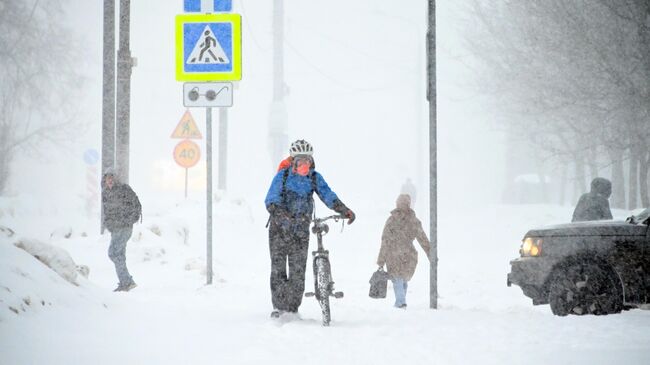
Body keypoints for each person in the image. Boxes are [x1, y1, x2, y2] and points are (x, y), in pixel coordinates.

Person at [265, 140, 356, 318]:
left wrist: (343, 209)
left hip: (300, 231)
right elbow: (271, 199)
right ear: (293, 161)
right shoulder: (282, 177)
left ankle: (292, 308)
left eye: (307, 161)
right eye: (300, 161)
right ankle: (279, 306)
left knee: (298, 270)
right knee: (278, 269)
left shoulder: (314, 178)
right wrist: (282, 215)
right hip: (279, 230)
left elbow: (327, 194)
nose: (304, 165)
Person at [377, 194, 430, 308]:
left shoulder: (392, 220)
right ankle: (401, 302)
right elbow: (423, 239)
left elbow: (385, 240)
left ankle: (400, 302)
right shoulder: (414, 220)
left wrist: (381, 260)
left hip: (393, 254)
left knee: (398, 279)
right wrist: (430, 253)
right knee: (403, 280)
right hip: (408, 254)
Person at [102, 169, 141, 292]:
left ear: (116, 179)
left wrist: (128, 220)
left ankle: (126, 281)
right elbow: (106, 211)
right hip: (115, 229)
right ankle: (126, 282)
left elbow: (137, 206)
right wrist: (108, 224)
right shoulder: (106, 193)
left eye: (112, 178)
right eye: (108, 178)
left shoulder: (124, 189)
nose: (110, 181)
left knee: (113, 253)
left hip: (124, 227)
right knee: (119, 254)